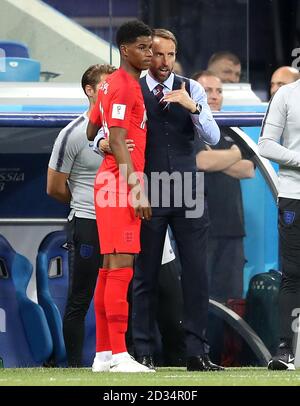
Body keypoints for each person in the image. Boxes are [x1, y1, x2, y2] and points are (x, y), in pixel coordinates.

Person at [132, 28, 224, 372]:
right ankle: (143, 350)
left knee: (198, 274)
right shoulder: (134, 89)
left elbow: (212, 136)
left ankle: (196, 353)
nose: (164, 61)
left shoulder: (192, 88)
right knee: (145, 276)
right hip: (149, 190)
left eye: (170, 55)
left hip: (188, 191)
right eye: (157, 54)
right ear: (145, 54)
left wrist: (193, 106)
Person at [86, 20, 154, 373]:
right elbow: (113, 139)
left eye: (151, 47)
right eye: (143, 47)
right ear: (125, 49)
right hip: (119, 185)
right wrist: (137, 190)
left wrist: (106, 141)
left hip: (109, 181)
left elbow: (91, 128)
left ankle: (103, 354)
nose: (149, 53)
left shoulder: (109, 83)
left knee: (108, 268)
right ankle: (121, 355)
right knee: (122, 266)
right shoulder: (125, 85)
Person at [47, 64, 117, 367]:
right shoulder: (73, 133)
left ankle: (121, 357)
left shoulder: (124, 128)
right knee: (81, 296)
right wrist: (88, 205)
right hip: (88, 222)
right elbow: (54, 187)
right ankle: (74, 367)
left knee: (119, 292)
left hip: (119, 221)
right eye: (105, 86)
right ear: (90, 91)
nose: (111, 91)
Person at [193, 70, 255, 302]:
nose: (214, 96)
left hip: (232, 230)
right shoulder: (188, 128)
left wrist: (217, 158)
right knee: (199, 297)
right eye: (207, 90)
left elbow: (247, 169)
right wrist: (233, 155)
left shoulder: (233, 129)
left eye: (218, 91)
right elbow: (201, 161)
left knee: (230, 299)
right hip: (198, 228)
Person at [258, 79, 300, 371]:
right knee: (293, 273)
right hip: (294, 195)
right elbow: (266, 145)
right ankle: (286, 350)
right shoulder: (286, 94)